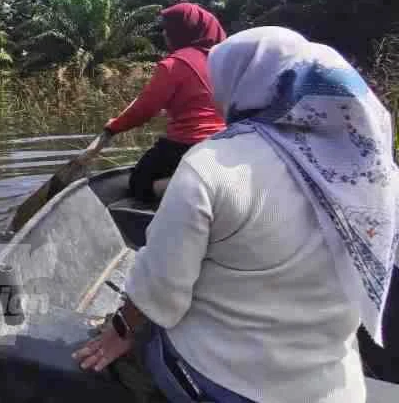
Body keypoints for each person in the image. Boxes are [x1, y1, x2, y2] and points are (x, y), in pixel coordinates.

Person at [73, 26, 399, 402]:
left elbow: (161, 293)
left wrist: (119, 328)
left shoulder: (211, 165)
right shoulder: (371, 171)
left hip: (226, 381)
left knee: (128, 348)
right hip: (334, 389)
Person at [85, 2, 227, 202]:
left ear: (181, 31)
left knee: (138, 184)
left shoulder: (174, 63)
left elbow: (144, 110)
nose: (164, 34)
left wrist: (114, 126)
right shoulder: (223, 61)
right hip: (225, 143)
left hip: (188, 144)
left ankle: (194, 189)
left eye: (168, 29)